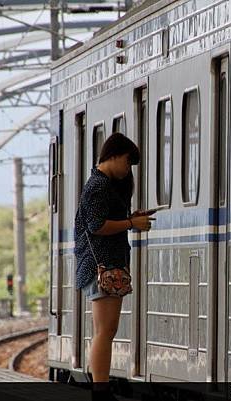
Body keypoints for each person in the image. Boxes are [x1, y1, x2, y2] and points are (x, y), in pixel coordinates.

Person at [74, 133, 153, 401]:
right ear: (116, 155)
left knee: (104, 330)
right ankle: (101, 391)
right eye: (128, 162)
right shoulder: (98, 186)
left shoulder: (102, 184)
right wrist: (131, 224)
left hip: (104, 264)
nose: (128, 169)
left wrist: (131, 219)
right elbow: (97, 226)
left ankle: (101, 388)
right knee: (105, 331)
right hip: (102, 265)